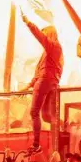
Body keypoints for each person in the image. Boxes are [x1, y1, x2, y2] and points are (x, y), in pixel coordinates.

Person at [21, 12, 65, 146]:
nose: (43, 34)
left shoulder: (53, 46)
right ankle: (62, 129)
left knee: (34, 112)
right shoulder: (51, 51)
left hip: (45, 82)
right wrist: (28, 86)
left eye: (45, 32)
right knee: (46, 116)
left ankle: (35, 144)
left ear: (50, 33)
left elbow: (40, 37)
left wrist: (29, 23)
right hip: (50, 83)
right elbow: (38, 72)